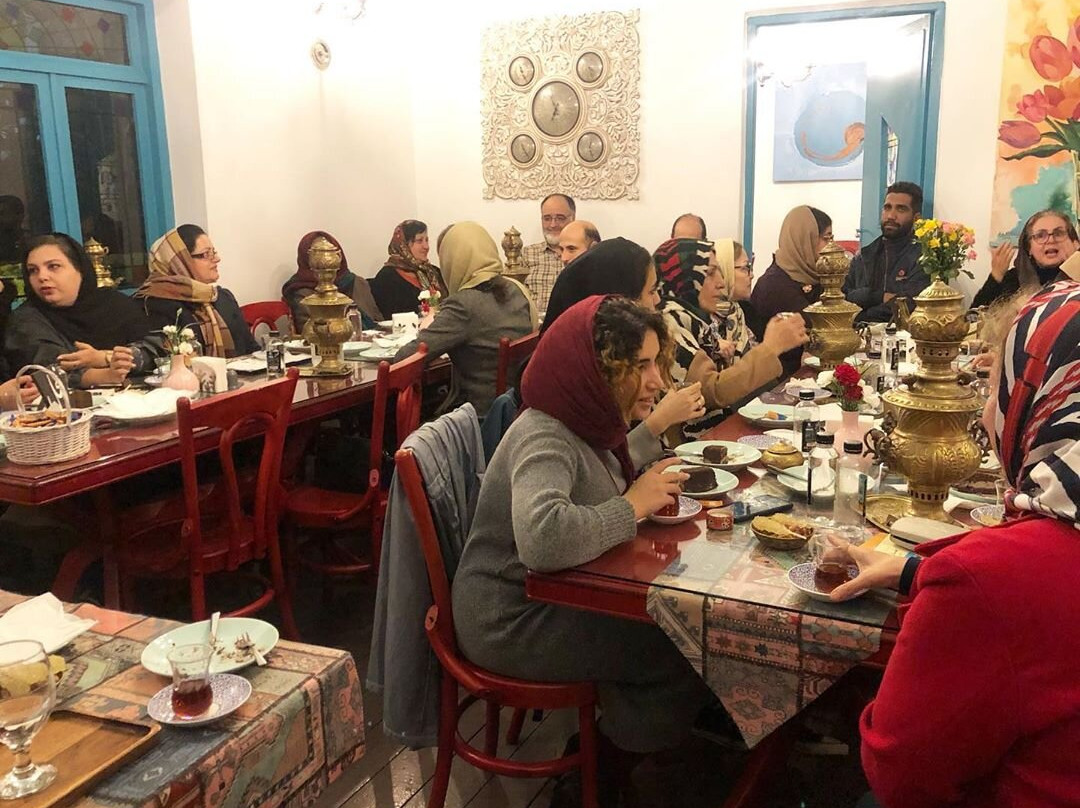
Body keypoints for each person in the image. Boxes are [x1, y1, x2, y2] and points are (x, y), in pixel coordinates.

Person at [453, 295, 714, 805]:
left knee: (676, 629)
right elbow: (543, 538)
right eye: (640, 366)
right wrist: (632, 506)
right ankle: (606, 765)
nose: (657, 381)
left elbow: (596, 465)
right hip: (509, 619)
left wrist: (644, 464)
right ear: (599, 369)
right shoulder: (544, 433)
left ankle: (634, 736)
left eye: (655, 364)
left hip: (549, 595)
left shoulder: (582, 415)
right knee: (678, 644)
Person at [831, 281, 1080, 808]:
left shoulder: (994, 577)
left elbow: (901, 775)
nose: (987, 413)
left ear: (1038, 401)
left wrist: (953, 588)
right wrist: (914, 571)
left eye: (993, 390)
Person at [539, 237, 705, 439]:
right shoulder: (561, 409)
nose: (657, 300)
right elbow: (604, 457)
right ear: (622, 299)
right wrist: (658, 422)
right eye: (651, 291)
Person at [654, 238, 807, 438]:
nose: (720, 283)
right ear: (685, 278)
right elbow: (712, 391)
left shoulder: (698, 320)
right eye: (709, 273)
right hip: (692, 443)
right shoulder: (671, 320)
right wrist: (771, 348)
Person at [393, 221, 536, 415]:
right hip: (514, 409)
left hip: (477, 417)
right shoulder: (516, 289)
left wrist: (429, 329)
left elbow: (404, 359)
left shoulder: (463, 305)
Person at [5, 233, 160, 388]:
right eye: (33, 270)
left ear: (79, 269)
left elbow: (159, 349)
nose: (42, 277)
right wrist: (105, 375)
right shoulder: (26, 319)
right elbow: (51, 369)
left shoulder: (113, 303)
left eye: (53, 266)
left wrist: (103, 357)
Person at [137, 225, 258, 358]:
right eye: (206, 254)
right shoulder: (153, 305)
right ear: (181, 261)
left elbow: (251, 349)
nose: (217, 259)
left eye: (213, 252)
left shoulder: (222, 297)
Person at [749, 205, 832, 373]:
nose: (831, 247)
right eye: (826, 239)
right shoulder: (775, 285)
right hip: (776, 379)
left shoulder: (811, 277)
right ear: (805, 240)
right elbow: (821, 328)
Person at [843, 182, 929, 323]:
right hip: (859, 334)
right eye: (887, 208)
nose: (891, 216)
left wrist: (861, 316)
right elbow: (843, 299)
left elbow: (908, 306)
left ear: (916, 218)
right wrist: (877, 296)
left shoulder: (924, 257)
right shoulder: (864, 256)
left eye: (901, 209)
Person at [973, 209, 1079, 308]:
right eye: (1040, 235)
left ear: (1073, 240)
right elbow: (972, 318)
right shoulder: (1013, 279)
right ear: (1029, 248)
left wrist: (1074, 267)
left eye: (1059, 233)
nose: (1051, 240)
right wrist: (996, 276)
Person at [282, 230, 383, 331]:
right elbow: (308, 331)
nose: (325, 260)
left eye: (330, 254)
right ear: (306, 258)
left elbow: (378, 320)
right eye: (317, 255)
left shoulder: (358, 283)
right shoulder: (302, 292)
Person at [369, 220, 446, 317]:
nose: (426, 246)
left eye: (427, 240)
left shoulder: (433, 272)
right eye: (419, 241)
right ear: (404, 245)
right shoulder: (387, 277)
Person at [523, 193, 575, 311]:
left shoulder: (584, 254)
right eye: (547, 218)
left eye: (560, 218)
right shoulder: (526, 254)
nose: (553, 224)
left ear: (573, 218)